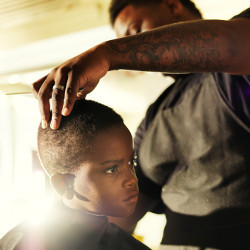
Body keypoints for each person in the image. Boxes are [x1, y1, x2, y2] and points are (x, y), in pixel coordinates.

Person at [32, 0, 250, 249]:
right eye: (121, 38)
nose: (128, 42)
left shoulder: (234, 75)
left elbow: (234, 45)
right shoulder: (155, 116)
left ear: (171, 5)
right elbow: (120, 209)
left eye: (134, 29)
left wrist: (109, 54)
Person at [0, 99, 150, 250]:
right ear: (64, 184)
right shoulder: (25, 244)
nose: (132, 179)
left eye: (132, 162)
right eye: (111, 169)